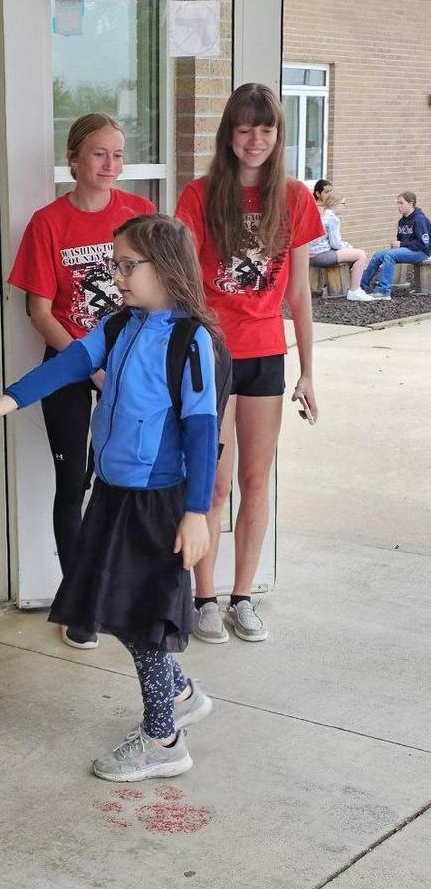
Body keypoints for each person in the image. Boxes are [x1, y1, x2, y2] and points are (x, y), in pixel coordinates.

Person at [0, 214, 218, 782]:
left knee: (143, 619)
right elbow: (73, 361)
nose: (116, 275)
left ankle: (163, 737)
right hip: (113, 493)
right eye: (114, 264)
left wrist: (197, 512)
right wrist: (7, 400)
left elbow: (201, 431)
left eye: (128, 266)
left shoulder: (191, 342)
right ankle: (181, 690)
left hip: (157, 502)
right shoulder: (119, 325)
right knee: (109, 603)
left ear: (165, 267)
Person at [175, 83, 322, 645]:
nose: (255, 139)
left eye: (266, 128)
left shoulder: (296, 198)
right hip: (213, 354)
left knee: (256, 482)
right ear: (228, 134)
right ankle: (204, 598)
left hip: (266, 356)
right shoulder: (199, 195)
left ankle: (242, 597)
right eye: (244, 127)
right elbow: (183, 282)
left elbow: (299, 296)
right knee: (212, 484)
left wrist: (308, 371)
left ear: (278, 135)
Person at [8, 113, 156, 652]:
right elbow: (39, 309)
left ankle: (126, 588)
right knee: (74, 483)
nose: (110, 165)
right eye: (99, 154)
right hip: (70, 369)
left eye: (118, 155)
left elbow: (164, 288)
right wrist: (87, 364)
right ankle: (79, 603)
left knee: (131, 481)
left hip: (132, 370)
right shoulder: (48, 223)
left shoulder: (140, 215)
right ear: (73, 159)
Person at [360, 191, 431, 301]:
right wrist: (398, 245)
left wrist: (401, 244)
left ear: (411, 203)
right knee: (378, 255)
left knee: (390, 255)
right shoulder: (402, 220)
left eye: (401, 203)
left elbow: (423, 243)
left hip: (422, 252)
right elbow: (401, 240)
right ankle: (361, 287)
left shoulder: (419, 219)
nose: (398, 206)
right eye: (397, 203)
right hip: (409, 249)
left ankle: (383, 291)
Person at [309, 191, 373, 301]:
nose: (344, 207)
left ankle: (329, 286)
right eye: (343, 204)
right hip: (321, 255)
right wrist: (347, 246)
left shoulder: (323, 215)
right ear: (335, 204)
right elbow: (336, 244)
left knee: (351, 253)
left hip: (312, 255)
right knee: (361, 255)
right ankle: (354, 291)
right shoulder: (332, 218)